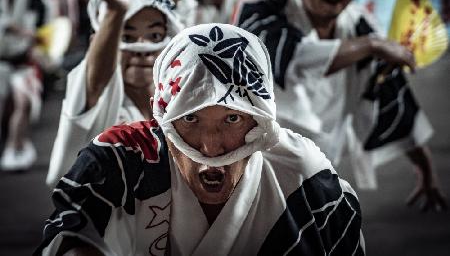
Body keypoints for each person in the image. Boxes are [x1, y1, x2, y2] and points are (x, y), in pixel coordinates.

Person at [36, 23, 364, 256]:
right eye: (190, 118)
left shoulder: (306, 180)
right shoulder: (120, 160)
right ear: (163, 118)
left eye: (232, 118)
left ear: (261, 119)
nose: (210, 148)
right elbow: (71, 231)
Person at [233, 0, 447, 210]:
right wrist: (370, 45)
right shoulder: (261, 8)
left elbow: (392, 96)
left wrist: (425, 168)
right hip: (250, 166)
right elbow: (282, 58)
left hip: (319, 169)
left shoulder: (358, 25)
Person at [45, 0, 183, 187]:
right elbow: (97, 80)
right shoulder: (99, 104)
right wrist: (115, 10)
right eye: (126, 35)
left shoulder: (175, 107)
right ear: (97, 44)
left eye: (155, 35)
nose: (142, 47)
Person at [0, 0, 53, 171]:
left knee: (23, 104)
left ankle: (15, 146)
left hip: (25, 63)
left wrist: (40, 49)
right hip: (2, 63)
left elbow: (47, 34)